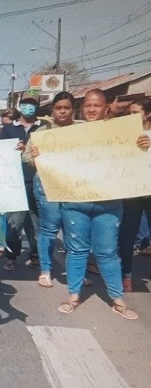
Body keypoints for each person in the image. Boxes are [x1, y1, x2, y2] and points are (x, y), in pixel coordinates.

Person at [38, 89, 148, 319]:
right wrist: (41, 152)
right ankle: (73, 296)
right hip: (75, 204)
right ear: (82, 107)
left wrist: (143, 146)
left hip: (108, 206)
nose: (91, 109)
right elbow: (50, 159)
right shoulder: (71, 132)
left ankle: (117, 298)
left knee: (107, 253)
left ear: (106, 106)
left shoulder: (123, 131)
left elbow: (137, 161)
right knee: (77, 251)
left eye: (96, 105)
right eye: (87, 105)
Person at [24, 91, 76, 288]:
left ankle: (75, 273)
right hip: (46, 185)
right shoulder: (41, 134)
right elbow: (26, 157)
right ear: (53, 110)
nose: (62, 111)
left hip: (75, 186)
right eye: (58, 108)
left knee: (74, 229)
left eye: (66, 108)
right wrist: (36, 156)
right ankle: (45, 270)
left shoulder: (82, 131)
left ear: (73, 109)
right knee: (49, 227)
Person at [0, 91, 43, 272]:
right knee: (14, 224)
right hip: (15, 182)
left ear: (38, 105)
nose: (28, 106)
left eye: (32, 103)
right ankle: (11, 256)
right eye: (25, 103)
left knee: (35, 224)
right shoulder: (8, 130)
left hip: (38, 181)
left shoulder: (44, 129)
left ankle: (35, 256)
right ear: (19, 105)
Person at [117, 97, 151, 292]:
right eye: (128, 113)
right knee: (127, 236)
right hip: (131, 192)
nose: (130, 117)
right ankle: (126, 276)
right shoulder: (124, 134)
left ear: (147, 114)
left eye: (135, 112)